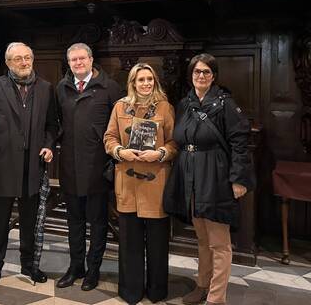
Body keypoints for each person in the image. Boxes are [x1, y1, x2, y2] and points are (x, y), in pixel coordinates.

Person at [163, 53, 254, 305]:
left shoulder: (225, 104)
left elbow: (240, 143)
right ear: (190, 75)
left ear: (213, 76)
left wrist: (238, 179)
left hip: (216, 176)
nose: (201, 76)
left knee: (219, 243)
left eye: (206, 72)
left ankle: (216, 297)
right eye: (196, 72)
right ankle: (202, 285)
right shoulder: (185, 104)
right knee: (202, 238)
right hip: (190, 176)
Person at [0, 42, 58, 292]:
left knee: (29, 220)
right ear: (8, 63)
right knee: (0, 221)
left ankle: (29, 265)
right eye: (17, 59)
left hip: (33, 165)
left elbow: (52, 125)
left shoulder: (46, 88)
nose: (24, 63)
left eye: (27, 58)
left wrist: (48, 145)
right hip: (3, 165)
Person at [103, 63, 177, 304]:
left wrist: (161, 153)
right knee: (129, 242)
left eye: (150, 79)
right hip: (127, 181)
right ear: (133, 83)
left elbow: (176, 143)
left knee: (157, 244)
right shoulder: (120, 106)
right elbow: (109, 137)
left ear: (155, 82)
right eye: (141, 80)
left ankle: (157, 291)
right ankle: (130, 291)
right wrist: (119, 151)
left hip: (156, 183)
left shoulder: (165, 108)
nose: (146, 83)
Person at [55, 43, 122, 290]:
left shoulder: (109, 87)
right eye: (73, 59)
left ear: (91, 59)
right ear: (69, 62)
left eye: (82, 58)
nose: (78, 62)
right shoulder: (61, 88)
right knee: (73, 222)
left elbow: (119, 125)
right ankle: (76, 267)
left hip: (98, 167)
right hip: (70, 167)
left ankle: (93, 270)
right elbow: (57, 124)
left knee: (98, 223)